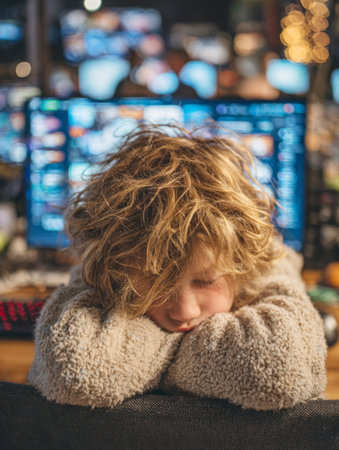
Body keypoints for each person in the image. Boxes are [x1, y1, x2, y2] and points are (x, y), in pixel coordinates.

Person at [28, 125, 327, 410]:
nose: (184, 312)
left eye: (206, 281)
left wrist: (158, 361)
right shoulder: (111, 264)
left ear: (243, 270)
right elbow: (75, 373)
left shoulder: (259, 268)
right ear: (115, 272)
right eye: (159, 284)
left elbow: (278, 372)